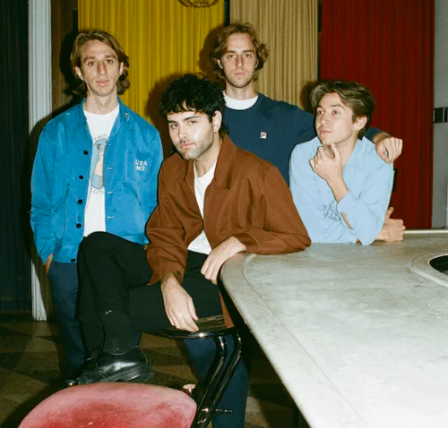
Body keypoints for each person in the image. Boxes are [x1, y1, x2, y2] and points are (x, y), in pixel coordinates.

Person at [73, 74, 311, 428]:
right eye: (173, 125)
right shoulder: (173, 168)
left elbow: (295, 236)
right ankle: (119, 354)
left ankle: (111, 371)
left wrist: (240, 240)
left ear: (215, 120)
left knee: (101, 305)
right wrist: (169, 282)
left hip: (224, 282)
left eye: (191, 122)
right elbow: (165, 233)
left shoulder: (256, 173)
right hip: (181, 265)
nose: (181, 134)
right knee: (96, 244)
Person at [30, 30, 163, 378]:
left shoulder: (147, 135)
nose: (101, 70)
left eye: (109, 60)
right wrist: (49, 257)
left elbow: (157, 206)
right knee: (78, 361)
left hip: (124, 261)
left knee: (122, 360)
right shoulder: (55, 132)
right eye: (91, 62)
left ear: (121, 67)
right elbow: (40, 203)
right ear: (78, 71)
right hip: (68, 260)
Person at [209, 22, 403, 184]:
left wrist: (378, 137)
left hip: (274, 219)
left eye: (247, 55)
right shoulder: (205, 118)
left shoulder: (283, 116)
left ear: (256, 61)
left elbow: (339, 129)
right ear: (219, 62)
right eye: (231, 55)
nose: (240, 63)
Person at [290, 80, 405, 244]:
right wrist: (375, 234)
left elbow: (368, 229)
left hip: (363, 258)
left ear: (359, 122)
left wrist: (335, 180)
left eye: (335, 112)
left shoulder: (379, 159)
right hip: (313, 257)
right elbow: (308, 229)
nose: (323, 120)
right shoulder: (304, 155)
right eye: (320, 112)